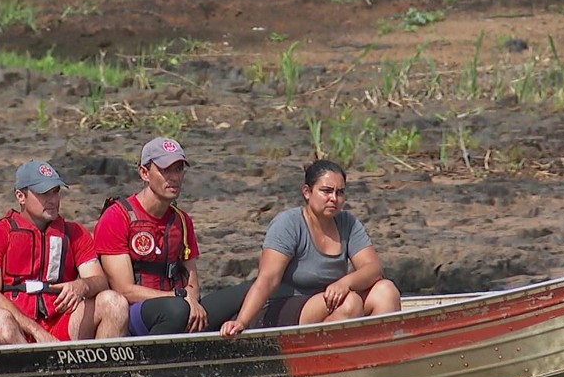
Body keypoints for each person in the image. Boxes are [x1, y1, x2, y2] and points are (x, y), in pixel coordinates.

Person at [221, 159, 401, 337]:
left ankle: (377, 356)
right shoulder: (288, 224)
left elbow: (373, 268)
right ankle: (326, 359)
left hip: (329, 301)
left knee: (386, 291)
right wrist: (241, 322)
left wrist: (345, 282)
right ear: (307, 192)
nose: (334, 198)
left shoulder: (347, 223)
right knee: (350, 303)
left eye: (340, 193)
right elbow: (267, 280)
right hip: (285, 305)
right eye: (326, 191)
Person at [94, 137, 248, 335]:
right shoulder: (117, 217)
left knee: (251, 292)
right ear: (144, 173)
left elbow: (191, 279)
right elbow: (124, 290)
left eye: (178, 169)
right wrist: (179, 298)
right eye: (165, 170)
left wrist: (191, 298)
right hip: (137, 313)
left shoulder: (182, 220)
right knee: (176, 310)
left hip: (181, 305)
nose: (174, 177)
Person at [0, 160, 128, 345]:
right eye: (44, 194)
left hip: (60, 323)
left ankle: (102, 372)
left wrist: (82, 285)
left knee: (114, 303)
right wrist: (37, 332)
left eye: (56, 192)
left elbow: (100, 281)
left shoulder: (75, 233)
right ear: (21, 196)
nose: (53, 200)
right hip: (15, 328)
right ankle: (30, 369)